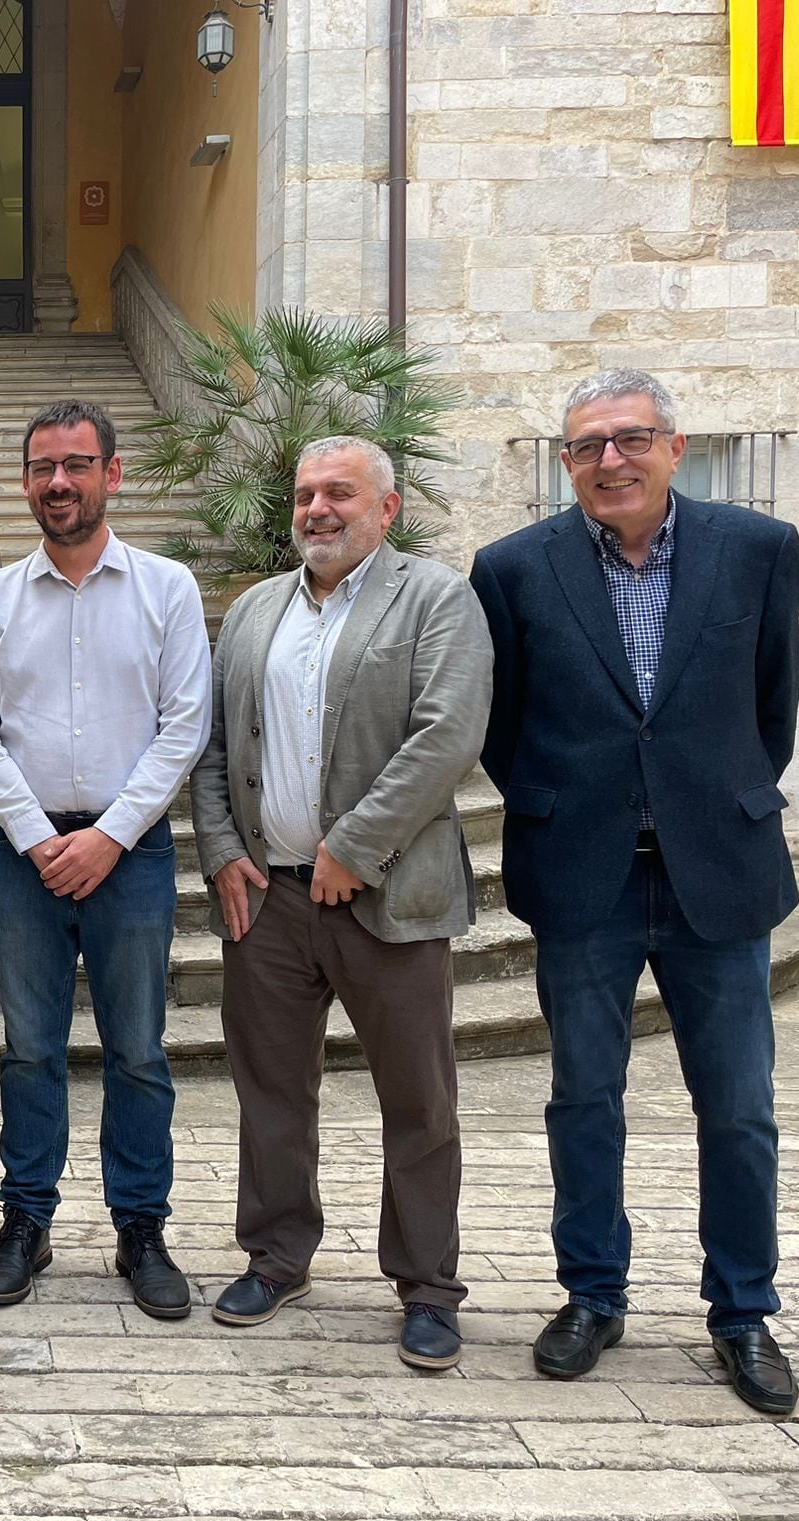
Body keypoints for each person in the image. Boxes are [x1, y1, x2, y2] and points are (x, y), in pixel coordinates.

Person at [470, 368, 799, 1415]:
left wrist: (716, 796)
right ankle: (590, 1294)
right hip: (583, 877)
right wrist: (560, 805)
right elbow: (501, 723)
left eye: (628, 439)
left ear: (673, 444)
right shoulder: (511, 568)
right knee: (581, 1098)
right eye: (584, 446)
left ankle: (740, 1312)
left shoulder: (756, 549)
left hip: (717, 870)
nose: (608, 461)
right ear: (564, 461)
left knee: (739, 1109)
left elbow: (772, 701)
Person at [188, 436, 492, 1369]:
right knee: (272, 1091)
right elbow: (210, 748)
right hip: (268, 900)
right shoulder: (252, 612)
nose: (318, 509)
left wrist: (353, 848)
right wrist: (223, 851)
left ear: (386, 509)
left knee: (418, 1098)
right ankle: (277, 1255)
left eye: (340, 494)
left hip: (391, 897)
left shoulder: (436, 598)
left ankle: (428, 1285)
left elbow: (448, 736)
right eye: (306, 494)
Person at [0, 400, 212, 1319]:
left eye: (76, 464)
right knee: (29, 1053)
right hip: (24, 857)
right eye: (42, 468)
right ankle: (27, 1218)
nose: (58, 483)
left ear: (113, 472)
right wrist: (35, 836)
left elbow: (186, 726)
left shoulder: (168, 589)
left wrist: (110, 836)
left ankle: (140, 1226)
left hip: (130, 852)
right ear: (26, 481)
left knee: (138, 1050)